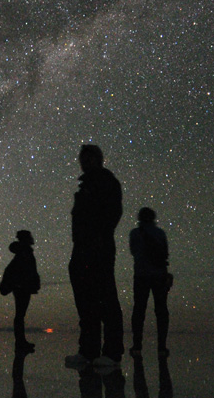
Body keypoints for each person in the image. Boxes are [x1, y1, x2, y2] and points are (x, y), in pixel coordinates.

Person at [66, 144, 124, 370]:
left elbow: (113, 212)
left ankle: (112, 352)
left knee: (105, 299)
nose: (86, 162)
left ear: (99, 159)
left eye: (90, 158)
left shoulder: (106, 181)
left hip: (98, 248)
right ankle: (88, 351)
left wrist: (100, 237)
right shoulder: (85, 186)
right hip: (80, 249)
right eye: (83, 158)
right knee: (85, 301)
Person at [129, 207, 171, 358]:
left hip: (141, 275)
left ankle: (137, 345)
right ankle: (162, 346)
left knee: (139, 310)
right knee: (161, 310)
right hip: (159, 275)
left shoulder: (135, 233)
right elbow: (165, 254)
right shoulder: (160, 233)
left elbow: (133, 252)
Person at [0, 230, 41, 353]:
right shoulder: (24, 252)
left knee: (20, 315)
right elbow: (25, 270)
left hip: (22, 286)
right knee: (20, 315)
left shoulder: (24, 252)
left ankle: (21, 342)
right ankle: (20, 343)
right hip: (22, 287)